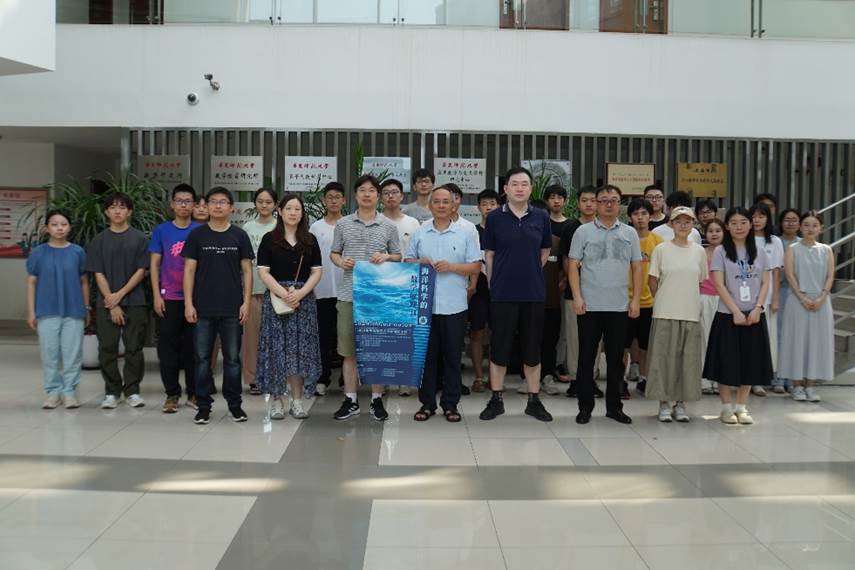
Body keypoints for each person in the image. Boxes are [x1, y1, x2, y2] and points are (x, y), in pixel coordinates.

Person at [479, 167, 554, 422]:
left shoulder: (541, 216)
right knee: (499, 347)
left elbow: (545, 251)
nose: (520, 188)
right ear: (506, 189)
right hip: (502, 293)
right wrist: (494, 283)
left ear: (531, 188)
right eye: (515, 184)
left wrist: (527, 271)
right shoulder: (495, 218)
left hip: (533, 292)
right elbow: (489, 255)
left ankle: (534, 400)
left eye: (524, 184)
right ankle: (496, 399)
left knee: (532, 348)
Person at [330, 174, 402, 422]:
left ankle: (376, 399)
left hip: (379, 297)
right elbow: (334, 253)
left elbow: (398, 256)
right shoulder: (343, 224)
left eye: (372, 190)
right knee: (348, 351)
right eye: (362, 190)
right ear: (356, 195)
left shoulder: (388, 226)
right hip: (349, 295)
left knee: (377, 350)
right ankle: (350, 399)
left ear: (378, 196)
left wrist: (387, 257)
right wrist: (341, 261)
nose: (367, 194)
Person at [406, 186, 481, 422]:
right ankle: (427, 404)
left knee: (452, 357)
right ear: (430, 206)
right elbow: (407, 261)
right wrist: (419, 262)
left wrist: (452, 267)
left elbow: (476, 266)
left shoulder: (465, 233)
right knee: (427, 357)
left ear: (453, 205)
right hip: (424, 306)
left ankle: (451, 404)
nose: (440, 205)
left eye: (445, 202)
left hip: (454, 305)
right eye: (436, 201)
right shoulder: (420, 231)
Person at [568, 185, 642, 425]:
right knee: (586, 359)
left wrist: (635, 299)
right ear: (597, 204)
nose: (609, 204)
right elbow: (572, 266)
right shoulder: (583, 231)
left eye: (614, 200)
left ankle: (614, 407)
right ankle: (585, 407)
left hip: (619, 307)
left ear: (620, 204)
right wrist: (577, 297)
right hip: (589, 306)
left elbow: (637, 267)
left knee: (616, 361)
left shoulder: (630, 233)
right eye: (603, 200)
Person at [183, 187, 254, 424]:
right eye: (213, 202)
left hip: (232, 307)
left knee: (232, 359)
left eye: (223, 202)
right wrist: (188, 303)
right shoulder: (197, 235)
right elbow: (189, 270)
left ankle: (235, 405)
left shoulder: (239, 235)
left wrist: (246, 302)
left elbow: (247, 271)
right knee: (202, 359)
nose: (217, 206)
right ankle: (203, 406)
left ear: (231, 208)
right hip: (202, 307)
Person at [256, 193, 323, 419]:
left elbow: (317, 272)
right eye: (289, 208)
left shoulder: (310, 240)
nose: (293, 213)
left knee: (299, 351)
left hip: (303, 302)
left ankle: (297, 401)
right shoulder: (269, 239)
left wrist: (301, 294)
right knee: (277, 350)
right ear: (280, 211)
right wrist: (284, 294)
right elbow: (263, 272)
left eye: (297, 209)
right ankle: (277, 401)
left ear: (302, 213)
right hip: (277, 301)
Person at [703, 206, 772, 425]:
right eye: (733, 223)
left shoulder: (760, 252)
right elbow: (719, 284)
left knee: (750, 362)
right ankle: (726, 408)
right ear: (727, 226)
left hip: (753, 315)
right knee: (726, 362)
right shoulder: (721, 252)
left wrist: (758, 308)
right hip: (728, 315)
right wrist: (735, 311)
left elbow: (765, 282)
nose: (739, 227)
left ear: (750, 225)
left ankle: (742, 407)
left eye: (743, 222)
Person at [86, 192, 149, 410]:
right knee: (107, 347)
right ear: (106, 212)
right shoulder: (98, 241)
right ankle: (112, 391)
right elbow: (98, 273)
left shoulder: (140, 239)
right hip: (106, 303)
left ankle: (132, 391)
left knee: (134, 348)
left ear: (129, 212)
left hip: (135, 301)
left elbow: (141, 271)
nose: (117, 211)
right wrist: (112, 302)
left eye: (122, 207)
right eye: (113, 207)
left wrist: (119, 295)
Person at [646, 206, 708, 422]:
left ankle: (681, 404)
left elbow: (700, 281)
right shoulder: (661, 249)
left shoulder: (699, 251)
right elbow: (652, 280)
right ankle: (663, 403)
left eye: (687, 221)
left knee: (687, 360)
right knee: (663, 359)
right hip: (665, 312)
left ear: (693, 225)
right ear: (671, 224)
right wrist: (662, 298)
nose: (683, 225)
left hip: (690, 312)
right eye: (678, 221)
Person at [27, 209, 89, 410]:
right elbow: (32, 282)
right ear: (47, 228)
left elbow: (84, 281)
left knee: (73, 354)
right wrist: (31, 311)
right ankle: (53, 392)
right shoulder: (38, 252)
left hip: (74, 310)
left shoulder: (78, 252)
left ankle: (69, 392)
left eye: (63, 224)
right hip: (46, 310)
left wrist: (86, 307)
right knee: (49, 353)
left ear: (69, 227)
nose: (59, 228)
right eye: (54, 224)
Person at [149, 184, 201, 413]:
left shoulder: (200, 230)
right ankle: (172, 394)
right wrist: (156, 295)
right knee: (167, 349)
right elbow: (154, 264)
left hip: (195, 299)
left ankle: (193, 393)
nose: (183, 205)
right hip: (168, 297)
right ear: (172, 204)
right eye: (179, 201)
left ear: (194, 205)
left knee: (193, 349)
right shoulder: (161, 231)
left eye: (188, 201)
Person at [779, 211, 835, 402]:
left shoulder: (826, 250)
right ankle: (796, 385)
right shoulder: (792, 249)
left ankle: (811, 385)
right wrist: (803, 298)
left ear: (821, 228)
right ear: (800, 227)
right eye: (806, 225)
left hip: (821, 302)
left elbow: (830, 276)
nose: (810, 229)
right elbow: (790, 275)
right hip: (797, 300)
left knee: (817, 342)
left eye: (815, 225)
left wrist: (822, 297)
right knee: (797, 341)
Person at [381, 178, 421, 397]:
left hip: (407, 284)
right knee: (385, 334)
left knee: (405, 335)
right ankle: (385, 377)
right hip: (381, 285)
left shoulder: (412, 223)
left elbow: (419, 253)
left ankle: (404, 379)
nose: (391, 196)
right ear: (381, 197)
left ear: (402, 196)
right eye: (386, 193)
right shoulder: (376, 221)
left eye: (394, 192)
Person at [559, 186, 600, 399]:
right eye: (585, 200)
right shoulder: (570, 227)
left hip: (601, 293)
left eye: (593, 200)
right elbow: (566, 259)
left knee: (596, 339)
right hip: (574, 292)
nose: (589, 204)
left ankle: (591, 378)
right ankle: (576, 380)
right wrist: (572, 281)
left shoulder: (603, 227)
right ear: (578, 203)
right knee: (574, 337)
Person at [624, 198, 663, 398]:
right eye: (636, 214)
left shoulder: (658, 242)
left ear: (650, 216)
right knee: (623, 345)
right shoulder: (623, 239)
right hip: (625, 301)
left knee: (647, 345)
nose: (640, 218)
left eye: (644, 213)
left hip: (650, 302)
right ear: (630, 217)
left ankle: (644, 379)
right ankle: (620, 381)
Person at [309, 182, 345, 396]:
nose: (333, 201)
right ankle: (322, 377)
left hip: (345, 290)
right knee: (322, 336)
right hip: (321, 290)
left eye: (337, 197)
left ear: (343, 200)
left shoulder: (349, 224)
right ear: (324, 201)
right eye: (329, 197)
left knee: (344, 335)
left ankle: (345, 378)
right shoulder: (316, 227)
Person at [532, 185, 568, 396]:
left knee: (550, 340)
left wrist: (562, 281)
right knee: (530, 339)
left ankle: (547, 375)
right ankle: (528, 377)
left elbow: (565, 267)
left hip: (552, 300)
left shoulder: (556, 242)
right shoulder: (522, 242)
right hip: (529, 300)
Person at [241, 188, 278, 397]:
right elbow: (244, 262)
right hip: (253, 289)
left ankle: (274, 376)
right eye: (260, 201)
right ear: (255, 203)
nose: (264, 205)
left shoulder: (280, 227)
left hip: (276, 291)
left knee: (275, 337)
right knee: (252, 337)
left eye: (268, 202)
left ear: (275, 204)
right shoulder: (247, 228)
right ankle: (253, 378)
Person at [749, 202, 784, 397]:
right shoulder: (744, 239)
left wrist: (776, 298)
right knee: (750, 342)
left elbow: (776, 272)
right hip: (745, 298)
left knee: (765, 341)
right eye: (754, 216)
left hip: (767, 299)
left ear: (768, 219)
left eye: (761, 216)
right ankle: (749, 380)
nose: (757, 220)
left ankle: (761, 380)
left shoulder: (775, 242)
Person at [468, 189, 499, 393]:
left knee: (498, 334)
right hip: (478, 291)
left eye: (492, 204)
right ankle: (479, 377)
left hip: (500, 291)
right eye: (485, 204)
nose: (488, 208)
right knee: (476, 333)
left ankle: (495, 378)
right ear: (478, 207)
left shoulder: (504, 230)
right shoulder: (472, 231)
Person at [773, 207, 801, 393]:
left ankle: (792, 379)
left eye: (794, 220)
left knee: (795, 337)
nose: (790, 223)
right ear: (781, 223)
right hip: (781, 292)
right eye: (787, 220)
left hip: (800, 295)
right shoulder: (776, 242)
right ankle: (777, 378)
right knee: (779, 335)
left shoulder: (803, 243)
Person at [699, 218, 725, 395]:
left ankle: (720, 379)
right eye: (710, 231)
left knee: (722, 341)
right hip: (704, 298)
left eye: (718, 230)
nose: (714, 234)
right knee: (704, 337)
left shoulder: (729, 253)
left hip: (724, 300)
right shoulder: (700, 253)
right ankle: (704, 379)